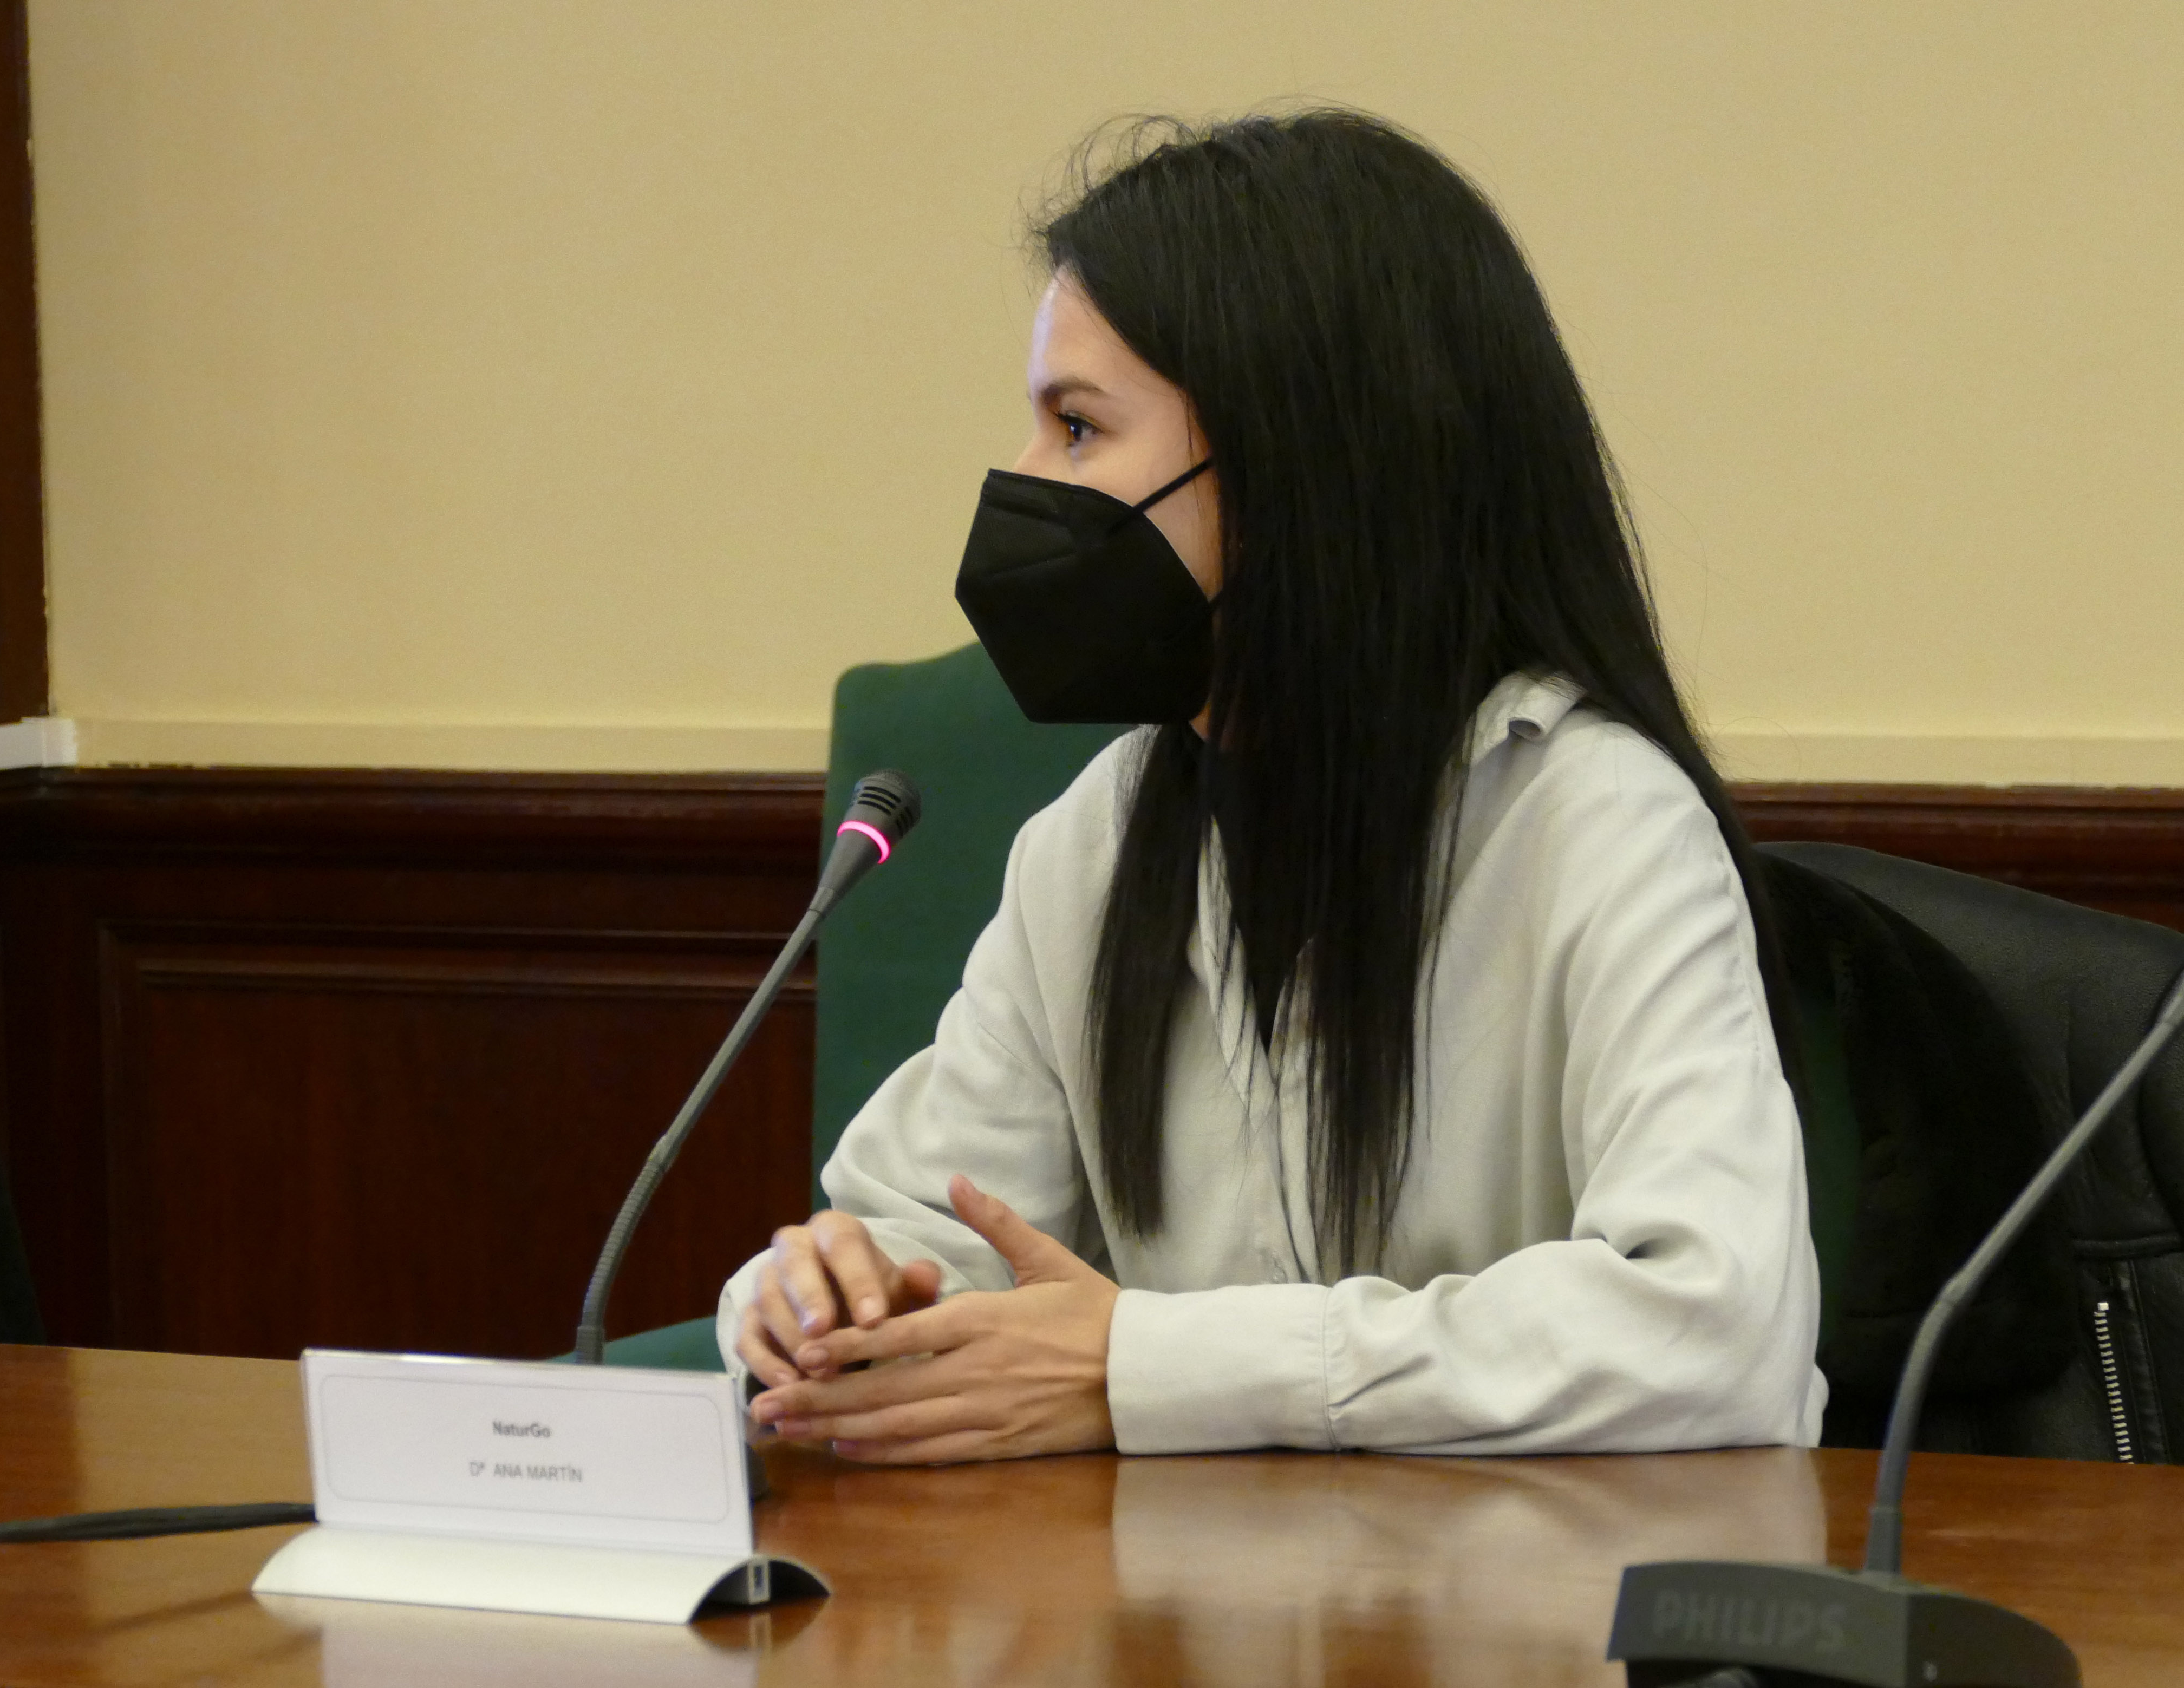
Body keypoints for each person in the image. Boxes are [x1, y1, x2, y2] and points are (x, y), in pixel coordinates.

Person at [720, 109, 1824, 1464]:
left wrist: (1149, 1363)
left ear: (1300, 464)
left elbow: (1714, 1330)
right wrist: (817, 1304)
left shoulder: (1598, 823)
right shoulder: (1101, 832)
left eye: (1077, 427)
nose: (1021, 480)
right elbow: (921, 1230)